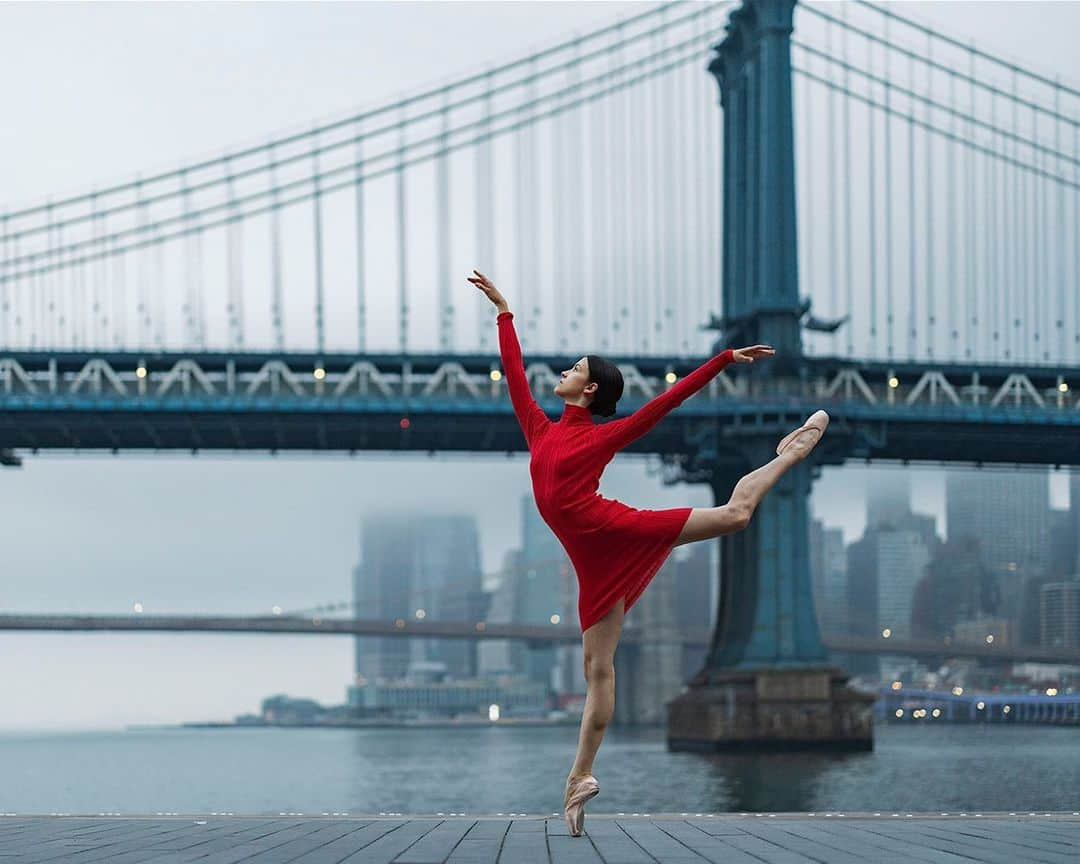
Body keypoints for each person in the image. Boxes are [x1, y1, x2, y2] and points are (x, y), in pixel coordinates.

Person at [467, 270, 828, 837]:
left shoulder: (598, 437)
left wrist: (724, 358)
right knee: (598, 670)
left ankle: (789, 453)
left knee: (736, 516)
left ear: (588, 391)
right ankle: (579, 780)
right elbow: (513, 373)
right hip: (589, 561)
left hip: (618, 531)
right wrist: (504, 312)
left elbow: (665, 403)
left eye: (574, 370)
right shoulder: (540, 430)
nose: (562, 372)